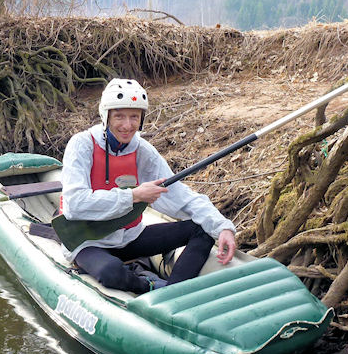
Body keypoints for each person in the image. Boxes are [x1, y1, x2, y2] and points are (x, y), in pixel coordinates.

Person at [60, 78, 236, 294]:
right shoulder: (82, 144)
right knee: (110, 272)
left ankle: (174, 293)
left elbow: (181, 195)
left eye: (134, 117)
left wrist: (223, 227)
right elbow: (74, 204)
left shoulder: (143, 151)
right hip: (88, 242)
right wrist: (133, 196)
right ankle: (148, 285)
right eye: (119, 116)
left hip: (130, 237)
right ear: (106, 116)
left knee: (202, 230)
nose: (127, 125)